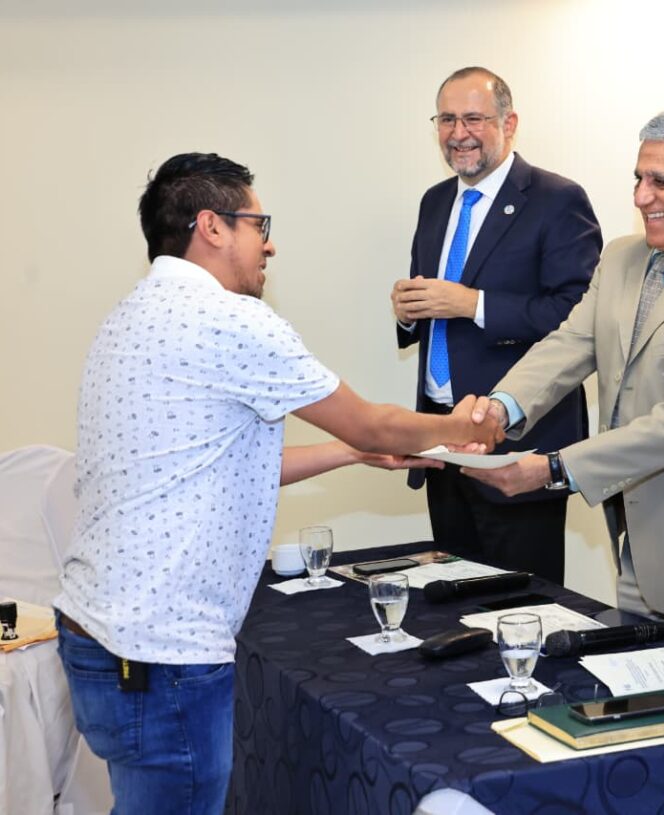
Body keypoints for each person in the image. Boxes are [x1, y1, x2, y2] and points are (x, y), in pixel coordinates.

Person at [54, 152, 499, 815]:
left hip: (95, 630)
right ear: (212, 226)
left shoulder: (128, 315)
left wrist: (350, 454)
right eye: (258, 225)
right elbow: (372, 421)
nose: (270, 244)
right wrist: (461, 424)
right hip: (162, 650)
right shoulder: (229, 318)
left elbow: (214, 461)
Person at [465, 107, 664, 666]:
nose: (641, 197)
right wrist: (499, 408)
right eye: (638, 179)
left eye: (661, 181)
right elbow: (571, 344)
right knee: (647, 707)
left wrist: (554, 469)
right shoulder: (620, 257)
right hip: (635, 549)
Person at [390, 67, 601, 583]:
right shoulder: (434, 201)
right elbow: (435, 306)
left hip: (517, 447)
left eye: (473, 119)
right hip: (441, 442)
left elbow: (579, 315)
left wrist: (474, 304)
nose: (458, 133)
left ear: (509, 123)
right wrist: (407, 313)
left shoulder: (557, 199)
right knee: (452, 605)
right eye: (446, 119)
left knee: (522, 608)